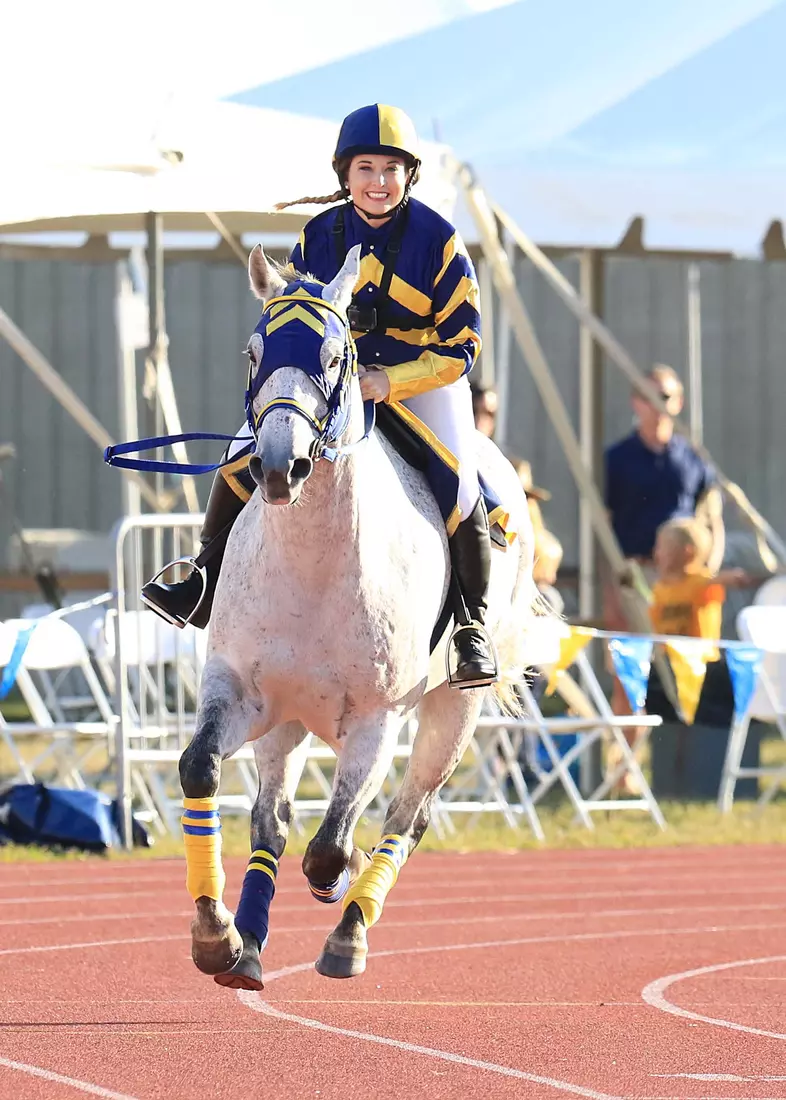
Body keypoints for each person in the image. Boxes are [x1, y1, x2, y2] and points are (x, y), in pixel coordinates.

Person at [142, 103, 497, 687]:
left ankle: (472, 627)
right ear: (345, 175)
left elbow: (463, 345)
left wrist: (390, 380)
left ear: (409, 175)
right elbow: (297, 319)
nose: (378, 181)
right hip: (336, 381)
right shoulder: (318, 234)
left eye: (390, 169)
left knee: (458, 482)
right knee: (243, 451)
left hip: (422, 376)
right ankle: (201, 580)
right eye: (366, 168)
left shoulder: (440, 240)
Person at [603, 364, 725, 713]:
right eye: (647, 396)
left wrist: (708, 571)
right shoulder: (617, 459)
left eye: (664, 396)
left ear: (679, 402)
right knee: (631, 670)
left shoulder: (694, 459)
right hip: (637, 575)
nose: (656, 404)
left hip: (684, 582)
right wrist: (613, 593)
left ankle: (679, 753)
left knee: (687, 670)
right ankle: (624, 762)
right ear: (634, 402)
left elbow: (713, 517)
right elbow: (605, 526)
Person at [650, 517, 750, 644]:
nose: (657, 553)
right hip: (668, 656)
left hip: (699, 658)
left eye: (663, 547)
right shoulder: (660, 588)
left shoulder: (701, 583)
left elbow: (717, 581)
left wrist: (733, 577)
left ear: (688, 552)